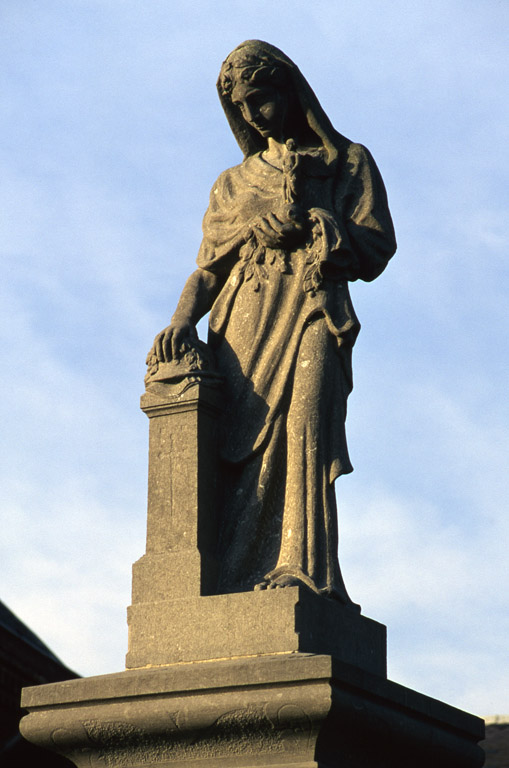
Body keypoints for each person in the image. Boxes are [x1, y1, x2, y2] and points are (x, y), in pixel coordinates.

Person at [149, 40, 396, 604]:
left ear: (288, 89)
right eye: (243, 109)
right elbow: (206, 271)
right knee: (244, 456)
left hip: (313, 309)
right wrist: (181, 321)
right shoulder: (232, 185)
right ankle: (235, 584)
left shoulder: (347, 162)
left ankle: (305, 568)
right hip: (244, 325)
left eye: (262, 100)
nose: (255, 116)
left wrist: (318, 223)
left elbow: (376, 245)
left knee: (306, 422)